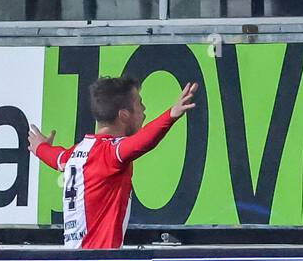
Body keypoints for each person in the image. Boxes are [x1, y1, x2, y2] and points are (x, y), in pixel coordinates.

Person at [28, 76, 197, 249]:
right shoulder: (109, 153)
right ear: (124, 114)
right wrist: (171, 114)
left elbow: (56, 157)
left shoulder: (77, 152)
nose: (144, 110)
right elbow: (144, 141)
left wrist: (40, 147)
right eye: (140, 103)